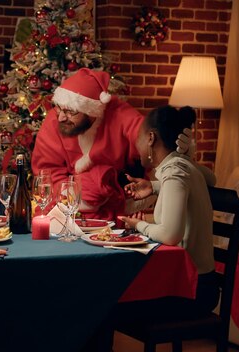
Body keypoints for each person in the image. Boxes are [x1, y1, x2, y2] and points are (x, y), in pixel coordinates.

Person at [32, 68, 198, 220]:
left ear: (92, 111)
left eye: (70, 111)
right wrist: (77, 195)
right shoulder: (53, 123)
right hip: (70, 205)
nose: (61, 117)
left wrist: (175, 144)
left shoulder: (118, 113)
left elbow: (148, 137)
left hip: (118, 200)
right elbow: (47, 175)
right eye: (59, 108)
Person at [118, 105, 218, 313]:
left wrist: (139, 225)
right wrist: (153, 185)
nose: (136, 144)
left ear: (151, 138)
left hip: (192, 288)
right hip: (196, 282)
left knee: (109, 299)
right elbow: (208, 178)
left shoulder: (175, 173)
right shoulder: (180, 167)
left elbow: (171, 235)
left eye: (138, 137)